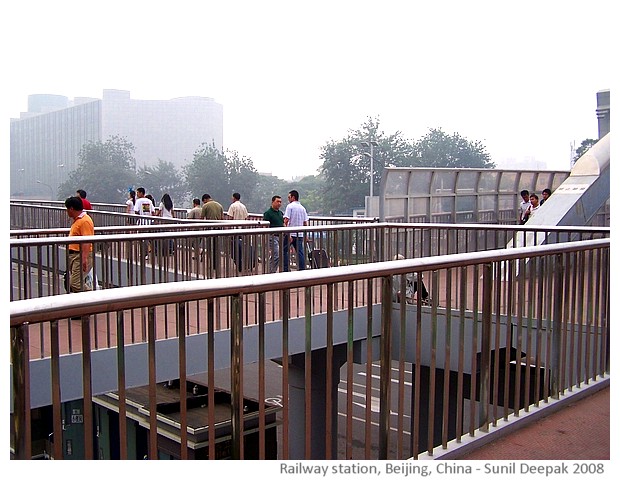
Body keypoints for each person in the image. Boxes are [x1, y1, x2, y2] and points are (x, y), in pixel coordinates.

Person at [65, 196, 95, 293]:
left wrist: (84, 258)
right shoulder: (78, 220)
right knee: (74, 282)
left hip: (80, 255)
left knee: (75, 283)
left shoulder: (84, 221)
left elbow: (87, 240)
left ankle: (96, 300)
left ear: (71, 208)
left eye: (67, 209)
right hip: (75, 254)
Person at [284, 189, 309, 271]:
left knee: (284, 251)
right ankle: (302, 269)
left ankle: (286, 269)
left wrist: (287, 233)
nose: (288, 199)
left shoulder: (290, 206)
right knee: (300, 253)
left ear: (293, 197)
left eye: (289, 197)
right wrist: (306, 235)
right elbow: (305, 222)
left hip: (291, 233)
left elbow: (286, 220)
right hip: (300, 234)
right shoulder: (302, 208)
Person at [263, 195, 289, 273]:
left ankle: (271, 271)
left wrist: (287, 233)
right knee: (276, 255)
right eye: (277, 201)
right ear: (272, 202)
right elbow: (265, 226)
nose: (279, 203)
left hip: (281, 236)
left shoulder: (280, 213)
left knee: (277, 255)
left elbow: (283, 224)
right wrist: (265, 237)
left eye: (280, 202)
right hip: (272, 236)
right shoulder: (268, 213)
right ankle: (271, 272)